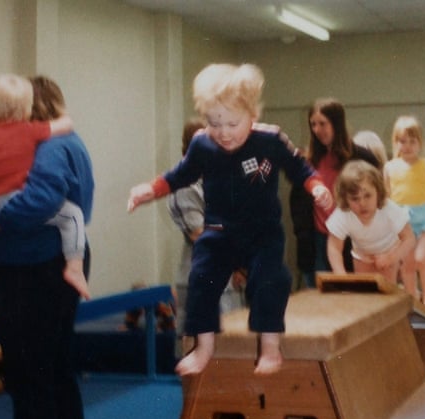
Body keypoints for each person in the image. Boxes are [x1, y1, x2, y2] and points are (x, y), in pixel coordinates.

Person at [128, 63, 332, 376]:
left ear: (253, 114)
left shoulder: (270, 140)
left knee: (270, 280)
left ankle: (270, 348)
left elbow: (300, 169)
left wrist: (316, 187)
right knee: (201, 279)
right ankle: (204, 347)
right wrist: (149, 189)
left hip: (262, 233)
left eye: (232, 123)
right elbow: (179, 175)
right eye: (213, 123)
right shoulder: (202, 144)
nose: (223, 132)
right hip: (220, 231)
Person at [0, 76, 94, 419]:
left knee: (30, 376)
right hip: (43, 265)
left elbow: (43, 199)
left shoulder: (49, 148)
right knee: (53, 371)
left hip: (34, 269)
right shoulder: (67, 143)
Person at [0, 73, 90, 299]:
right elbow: (42, 200)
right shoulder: (35, 134)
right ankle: (75, 267)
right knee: (73, 215)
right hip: (31, 250)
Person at [167, 118, 245, 355]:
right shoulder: (184, 185)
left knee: (233, 345)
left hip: (228, 275)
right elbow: (202, 234)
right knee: (200, 353)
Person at [298, 98, 381, 287]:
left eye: (323, 123)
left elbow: (379, 199)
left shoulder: (362, 157)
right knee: (323, 295)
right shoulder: (308, 161)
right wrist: (302, 233)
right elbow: (299, 204)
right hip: (319, 239)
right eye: (313, 124)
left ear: (336, 123)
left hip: (353, 238)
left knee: (355, 293)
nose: (318, 130)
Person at [326, 160, 415, 283]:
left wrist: (390, 258)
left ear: (378, 192)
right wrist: (341, 276)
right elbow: (334, 247)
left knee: (386, 290)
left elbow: (409, 239)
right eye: (355, 199)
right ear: (345, 198)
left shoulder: (388, 208)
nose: (362, 203)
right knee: (364, 291)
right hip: (361, 255)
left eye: (367, 196)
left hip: (388, 250)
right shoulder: (344, 213)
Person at [384, 115, 425, 308]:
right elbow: (387, 196)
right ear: (395, 143)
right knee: (408, 264)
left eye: (412, 141)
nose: (407, 146)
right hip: (403, 221)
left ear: (420, 143)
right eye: (402, 141)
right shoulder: (390, 167)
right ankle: (413, 298)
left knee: (422, 258)